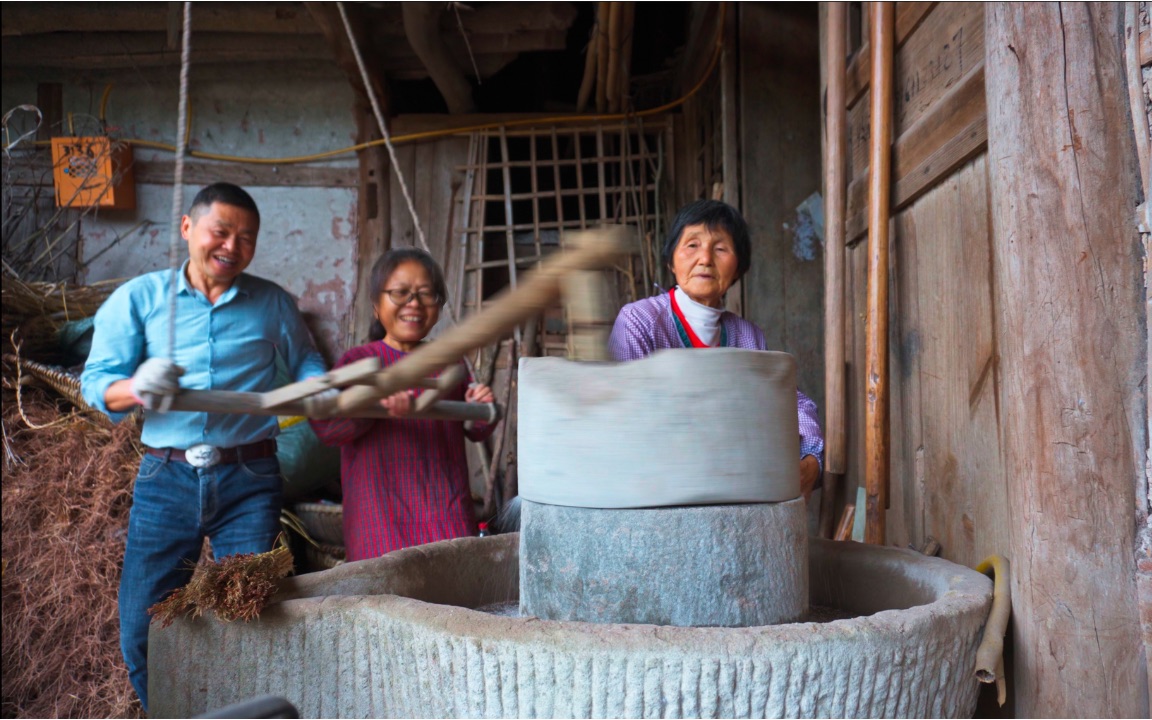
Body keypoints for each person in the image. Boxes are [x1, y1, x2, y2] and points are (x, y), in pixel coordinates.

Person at [80, 182, 327, 710]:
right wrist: (136, 387)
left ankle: (243, 714)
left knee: (252, 617)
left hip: (251, 477)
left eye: (246, 238)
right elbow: (95, 383)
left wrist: (314, 386)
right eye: (221, 231)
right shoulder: (142, 298)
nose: (232, 247)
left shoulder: (273, 303)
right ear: (188, 228)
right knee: (142, 627)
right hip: (165, 479)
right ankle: (169, 712)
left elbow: (307, 360)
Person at [608, 199, 824, 498]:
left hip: (731, 488)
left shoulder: (747, 337)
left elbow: (790, 402)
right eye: (692, 245)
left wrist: (811, 455)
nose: (705, 258)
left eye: (721, 248)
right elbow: (626, 415)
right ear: (671, 260)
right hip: (654, 489)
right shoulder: (639, 322)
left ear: (738, 269)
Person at [310, 247, 496, 561]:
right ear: (375, 304)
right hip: (379, 515)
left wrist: (480, 406)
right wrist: (372, 405)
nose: (414, 304)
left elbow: (476, 430)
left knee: (451, 593)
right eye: (400, 293)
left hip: (444, 510)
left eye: (426, 294)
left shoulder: (448, 360)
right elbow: (329, 429)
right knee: (382, 600)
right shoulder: (359, 362)